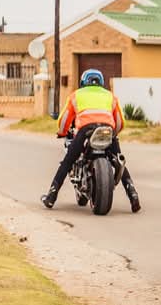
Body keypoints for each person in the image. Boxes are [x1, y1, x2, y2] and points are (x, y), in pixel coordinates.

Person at [41, 69, 140, 212]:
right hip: (107, 131)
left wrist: (62, 132)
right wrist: (113, 134)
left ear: (83, 82)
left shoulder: (76, 95)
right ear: (101, 82)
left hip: (85, 131)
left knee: (68, 161)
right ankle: (133, 196)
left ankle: (51, 196)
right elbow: (120, 122)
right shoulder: (110, 96)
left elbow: (63, 120)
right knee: (118, 160)